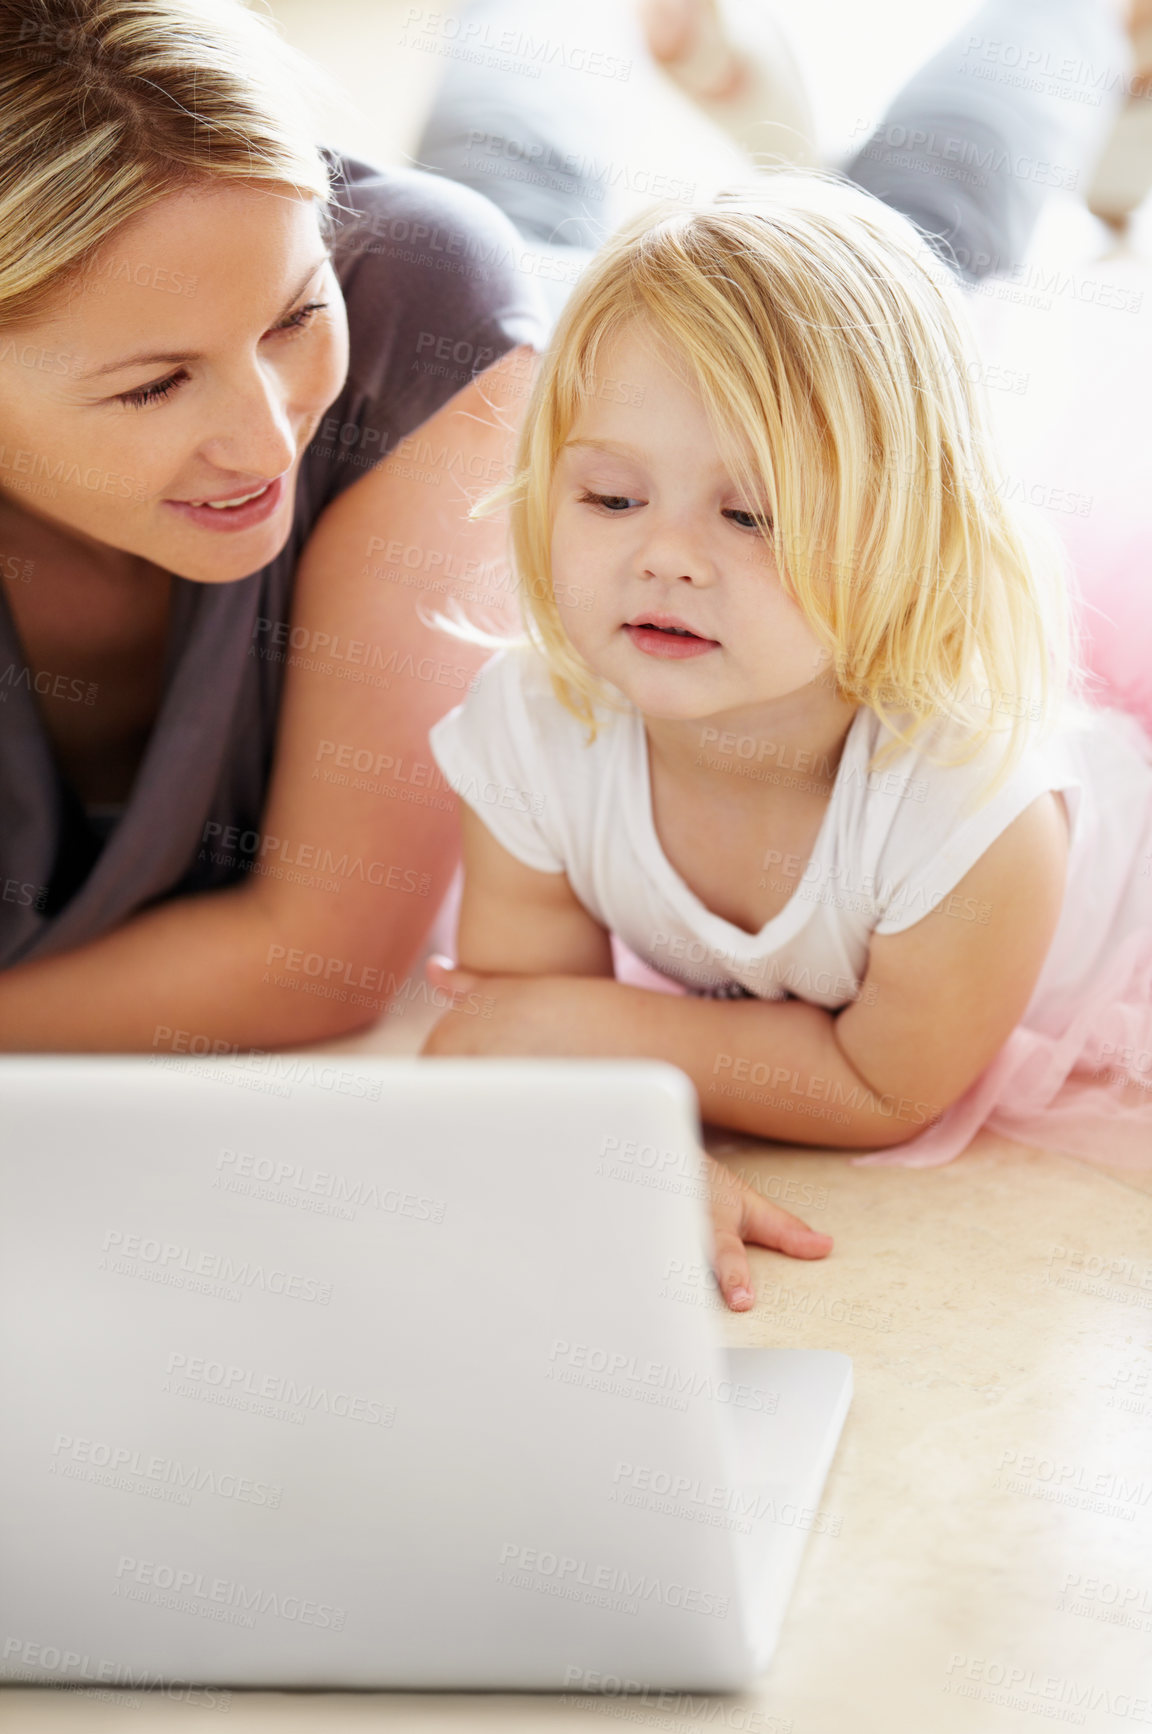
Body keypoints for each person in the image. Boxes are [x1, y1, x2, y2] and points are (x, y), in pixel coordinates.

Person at [419, 169, 1152, 1308]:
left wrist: (586, 1025)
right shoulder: (533, 728)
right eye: (611, 499)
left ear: (905, 540)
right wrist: (638, 1152)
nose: (664, 556)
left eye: (751, 516)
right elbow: (533, 1045)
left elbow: (880, 1083)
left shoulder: (971, 804)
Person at [0, 0, 548, 1050]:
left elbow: (319, 962)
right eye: (154, 388)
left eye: (296, 317)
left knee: (912, 213)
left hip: (529, 324)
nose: (265, 446)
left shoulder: (420, 311)